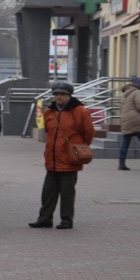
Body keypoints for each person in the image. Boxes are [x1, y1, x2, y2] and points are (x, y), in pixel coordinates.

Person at [28, 81, 94, 230]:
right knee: (48, 192)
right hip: (52, 158)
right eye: (56, 94)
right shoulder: (49, 112)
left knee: (67, 192)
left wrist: (78, 148)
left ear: (69, 95)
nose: (59, 97)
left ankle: (66, 219)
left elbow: (88, 133)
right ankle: (45, 218)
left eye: (62, 94)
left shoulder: (80, 111)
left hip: (69, 159)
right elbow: (48, 132)